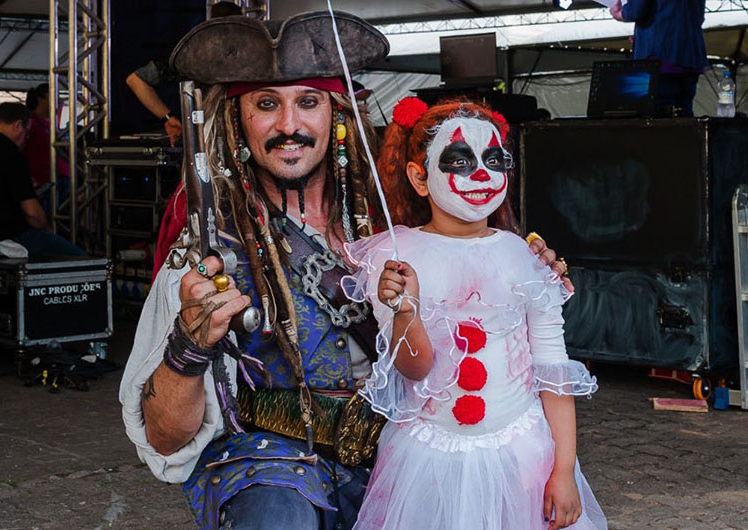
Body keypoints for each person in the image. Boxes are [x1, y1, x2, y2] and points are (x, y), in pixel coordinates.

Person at [119, 12, 569, 530]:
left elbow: (487, 285)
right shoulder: (209, 251)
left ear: (337, 115)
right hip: (271, 462)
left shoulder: (394, 225)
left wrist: (531, 266)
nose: (289, 125)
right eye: (266, 104)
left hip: (401, 450)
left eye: (308, 102)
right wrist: (189, 343)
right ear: (236, 121)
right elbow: (166, 439)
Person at [342, 97, 607, 530]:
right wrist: (406, 313)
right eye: (460, 161)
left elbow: (552, 370)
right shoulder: (395, 259)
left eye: (494, 159)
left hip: (522, 454)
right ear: (419, 177)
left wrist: (563, 470)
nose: (482, 174)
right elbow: (415, 369)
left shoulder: (526, 257)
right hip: (428, 460)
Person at [0, 102, 84, 257]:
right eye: (27, 133)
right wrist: (47, 230)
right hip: (11, 236)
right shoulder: (11, 154)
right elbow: (32, 212)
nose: (26, 139)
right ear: (18, 125)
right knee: (80, 259)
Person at [125, 1, 242, 146]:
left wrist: (168, 117)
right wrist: (168, 117)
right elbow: (135, 80)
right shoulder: (190, 58)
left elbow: (135, 80)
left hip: (214, 139)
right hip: (205, 139)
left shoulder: (190, 56)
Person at [609, 0, 707, 117]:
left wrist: (620, 13)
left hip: (661, 57)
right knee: (684, 115)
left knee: (658, 117)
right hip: (692, 55)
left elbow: (636, 11)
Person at [23, 83, 70, 209]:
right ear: (41, 99)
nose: (58, 102)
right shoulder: (30, 122)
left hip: (58, 179)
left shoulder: (49, 124)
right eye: (54, 97)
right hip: (43, 183)